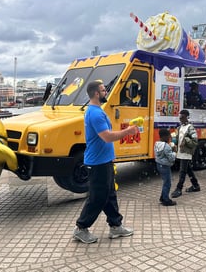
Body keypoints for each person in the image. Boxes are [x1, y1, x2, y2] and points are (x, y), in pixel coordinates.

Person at [73, 80, 139, 244]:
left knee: (109, 195)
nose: (106, 92)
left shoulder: (97, 111)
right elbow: (107, 136)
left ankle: (116, 226)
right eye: (103, 90)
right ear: (96, 93)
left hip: (104, 161)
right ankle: (81, 228)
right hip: (97, 163)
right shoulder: (95, 113)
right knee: (98, 197)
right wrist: (128, 131)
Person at [171, 109, 200, 198]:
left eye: (182, 117)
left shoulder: (190, 127)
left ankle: (179, 189)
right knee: (188, 169)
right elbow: (178, 138)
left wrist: (185, 140)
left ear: (187, 117)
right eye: (179, 117)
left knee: (182, 171)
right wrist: (174, 142)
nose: (180, 119)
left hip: (186, 152)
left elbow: (195, 141)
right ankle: (196, 185)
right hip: (180, 152)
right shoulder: (179, 127)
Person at [154, 128, 177, 206]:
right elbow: (171, 158)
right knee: (167, 183)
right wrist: (174, 151)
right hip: (165, 166)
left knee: (165, 182)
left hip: (159, 165)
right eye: (168, 136)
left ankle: (162, 197)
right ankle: (166, 200)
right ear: (164, 137)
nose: (169, 138)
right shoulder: (166, 146)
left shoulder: (157, 144)